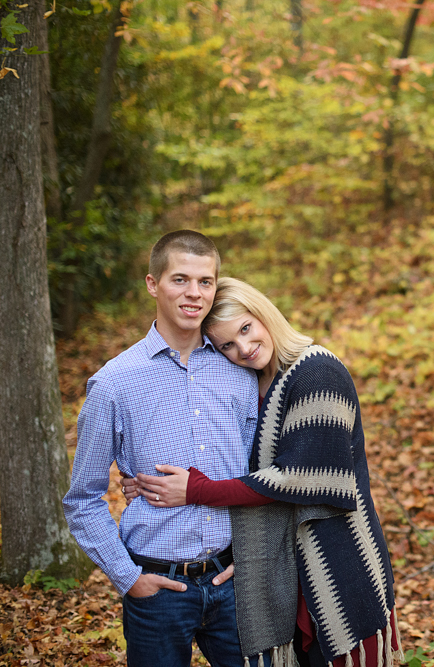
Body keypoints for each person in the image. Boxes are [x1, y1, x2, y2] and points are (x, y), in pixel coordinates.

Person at [124, 277, 401, 667]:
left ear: (262, 313)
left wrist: (198, 490)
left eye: (245, 328)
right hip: (285, 567)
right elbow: (231, 458)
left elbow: (301, 477)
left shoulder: (317, 372)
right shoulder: (253, 383)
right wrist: (145, 478)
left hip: (336, 559)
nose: (243, 348)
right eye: (227, 346)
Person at [63, 231, 259, 667]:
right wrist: (129, 578)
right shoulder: (115, 383)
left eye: (205, 281)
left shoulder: (239, 369)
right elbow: (82, 499)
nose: (194, 293)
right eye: (180, 279)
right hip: (157, 588)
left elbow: (255, 478)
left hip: (234, 582)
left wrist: (250, 558)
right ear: (153, 284)